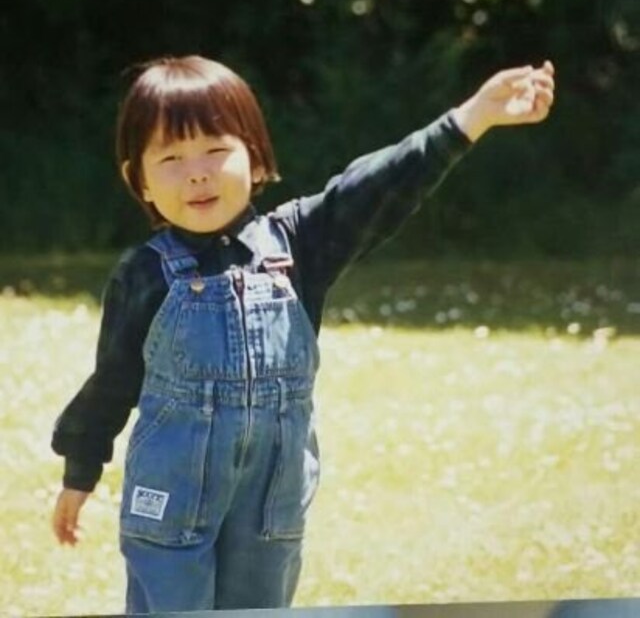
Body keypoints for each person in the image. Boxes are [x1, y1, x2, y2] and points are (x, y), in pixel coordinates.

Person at [50, 55, 555, 612]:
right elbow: (113, 380)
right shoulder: (145, 274)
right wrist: (80, 468)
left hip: (270, 509)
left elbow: (376, 186)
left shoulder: (298, 245)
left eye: (216, 150)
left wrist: (470, 118)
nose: (197, 172)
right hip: (171, 504)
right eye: (171, 158)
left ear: (256, 159)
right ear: (138, 181)